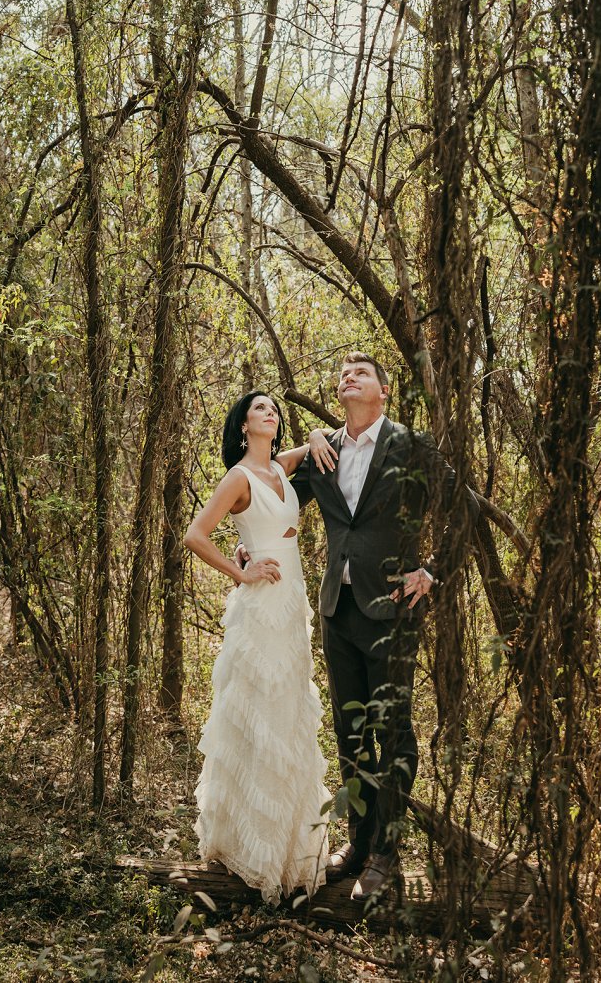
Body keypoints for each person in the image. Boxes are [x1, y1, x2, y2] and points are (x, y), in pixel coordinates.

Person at [288, 352, 456, 903]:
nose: (349, 378)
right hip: (337, 609)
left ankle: (387, 852)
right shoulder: (324, 450)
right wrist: (252, 542)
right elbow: (268, 487)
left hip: (393, 610)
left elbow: (462, 507)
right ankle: (358, 844)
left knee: (394, 731)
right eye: (343, 374)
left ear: (383, 391)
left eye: (361, 373)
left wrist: (431, 569)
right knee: (350, 731)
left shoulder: (412, 444)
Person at [184, 391, 330, 902]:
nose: (271, 413)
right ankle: (250, 851)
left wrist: (315, 433)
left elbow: (317, 445)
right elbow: (195, 535)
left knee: (288, 714)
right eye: (260, 409)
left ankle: (289, 852)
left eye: (274, 409)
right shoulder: (239, 477)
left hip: (291, 604)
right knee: (257, 715)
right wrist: (240, 571)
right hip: (260, 603)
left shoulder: (281, 468)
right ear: (244, 425)